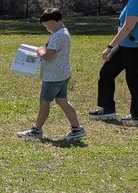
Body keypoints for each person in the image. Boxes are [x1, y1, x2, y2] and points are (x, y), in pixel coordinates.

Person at [88, 0, 138, 125]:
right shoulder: (133, 0)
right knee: (107, 72)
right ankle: (107, 110)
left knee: (135, 79)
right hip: (126, 45)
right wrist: (114, 48)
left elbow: (127, 28)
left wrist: (109, 47)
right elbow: (123, 29)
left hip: (137, 47)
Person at [17, 9, 87, 140]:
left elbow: (48, 56)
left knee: (44, 102)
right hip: (63, 73)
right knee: (61, 100)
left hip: (53, 76)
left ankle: (36, 130)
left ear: (52, 22)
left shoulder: (57, 36)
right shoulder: (65, 33)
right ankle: (77, 128)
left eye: (46, 26)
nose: (46, 28)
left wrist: (40, 50)